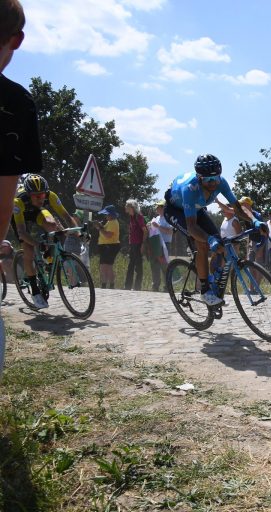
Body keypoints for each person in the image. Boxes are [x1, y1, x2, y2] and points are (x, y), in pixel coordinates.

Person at [164, 154, 260, 306]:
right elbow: (192, 226)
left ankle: (213, 278)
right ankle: (205, 291)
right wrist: (209, 239)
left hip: (196, 208)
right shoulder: (191, 188)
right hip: (176, 210)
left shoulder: (220, 182)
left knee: (220, 243)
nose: (213, 182)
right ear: (200, 177)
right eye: (208, 179)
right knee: (202, 244)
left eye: (216, 177)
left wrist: (255, 221)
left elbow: (238, 208)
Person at [2, 0, 40, 364]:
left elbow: (60, 215)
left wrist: (70, 228)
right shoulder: (15, 102)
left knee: (50, 230)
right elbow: (8, 212)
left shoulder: (44, 199)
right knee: (27, 244)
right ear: (16, 40)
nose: (43, 199)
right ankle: (32, 274)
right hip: (13, 216)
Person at [11, 174, 79, 309]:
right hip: (20, 217)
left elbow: (66, 216)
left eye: (42, 195)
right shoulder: (18, 201)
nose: (40, 198)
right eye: (36, 196)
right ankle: (35, 292)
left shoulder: (51, 195)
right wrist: (37, 244)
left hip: (36, 212)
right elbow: (22, 233)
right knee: (29, 251)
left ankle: (48, 257)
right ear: (29, 194)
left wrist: (77, 233)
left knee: (52, 225)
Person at [148, 200, 173, 292]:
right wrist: (150, 227)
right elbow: (154, 230)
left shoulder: (168, 218)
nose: (156, 208)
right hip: (156, 243)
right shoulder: (157, 218)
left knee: (164, 266)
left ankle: (167, 286)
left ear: (163, 208)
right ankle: (155, 285)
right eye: (156, 206)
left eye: (158, 206)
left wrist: (158, 226)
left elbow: (170, 232)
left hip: (165, 244)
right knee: (154, 264)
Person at [123, 199, 147, 291]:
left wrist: (143, 245)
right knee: (131, 265)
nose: (125, 207)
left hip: (138, 244)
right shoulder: (131, 217)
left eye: (127, 206)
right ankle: (127, 286)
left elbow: (145, 231)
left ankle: (137, 287)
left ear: (131, 207)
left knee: (138, 266)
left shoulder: (139, 217)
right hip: (133, 244)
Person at [94, 205, 120, 289]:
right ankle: (108, 285)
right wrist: (101, 226)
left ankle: (106, 285)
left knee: (105, 266)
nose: (105, 216)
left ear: (111, 214)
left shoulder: (113, 222)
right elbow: (105, 230)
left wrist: (99, 228)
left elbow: (108, 235)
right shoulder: (110, 222)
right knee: (106, 266)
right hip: (107, 246)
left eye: (107, 214)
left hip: (110, 246)